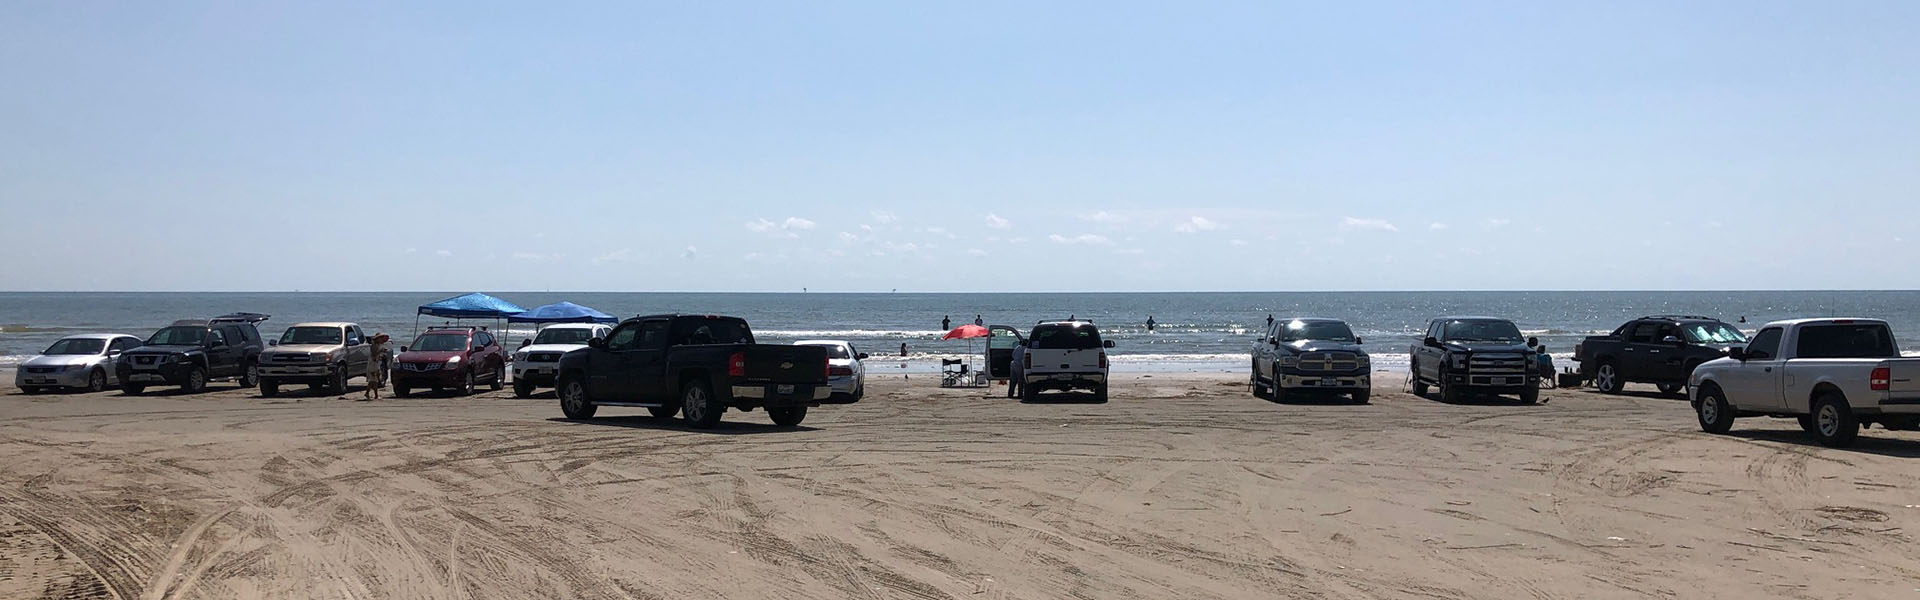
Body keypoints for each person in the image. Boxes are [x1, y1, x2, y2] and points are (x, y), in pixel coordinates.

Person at [364, 333, 390, 400]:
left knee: (374, 380)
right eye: (380, 338)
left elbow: (376, 355)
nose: (382, 339)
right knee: (374, 379)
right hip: (372, 364)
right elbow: (374, 355)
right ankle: (373, 394)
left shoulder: (377, 345)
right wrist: (381, 351)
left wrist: (381, 354)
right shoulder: (373, 345)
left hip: (375, 363)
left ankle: (372, 394)